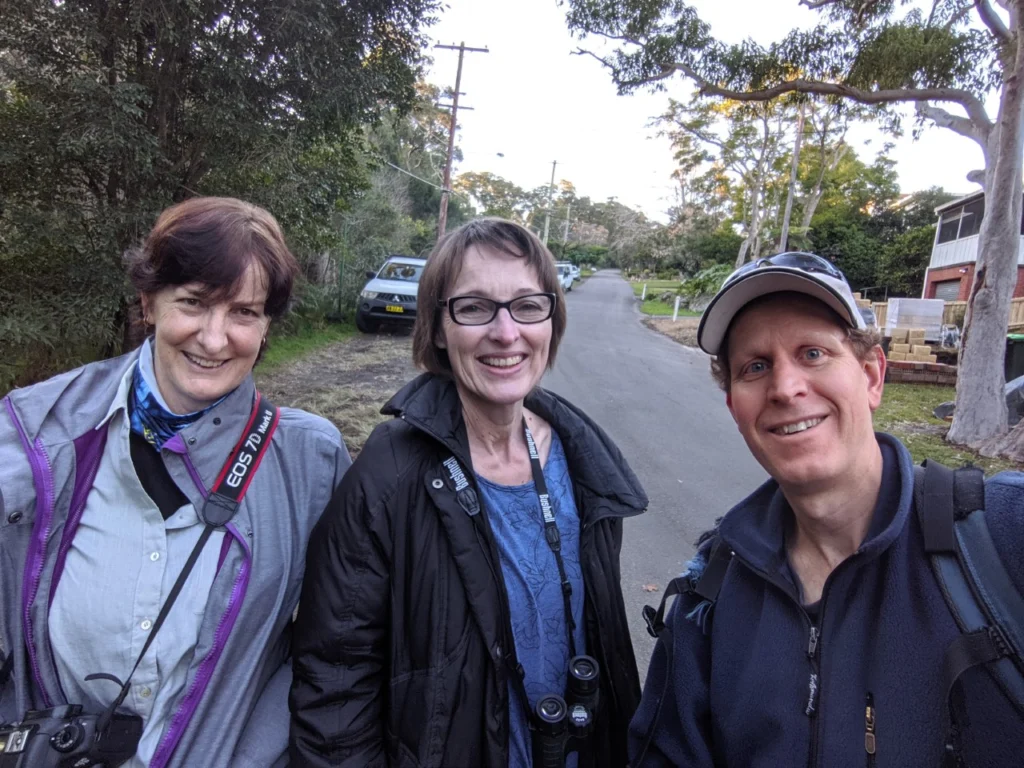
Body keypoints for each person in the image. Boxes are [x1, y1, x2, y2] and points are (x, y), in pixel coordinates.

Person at [629, 252, 1024, 767]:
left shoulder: (1002, 538)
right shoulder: (708, 594)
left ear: (871, 376)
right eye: (756, 366)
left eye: (813, 353)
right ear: (735, 408)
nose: (786, 388)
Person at [0, 197, 351, 767]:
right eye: (193, 303)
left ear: (266, 327)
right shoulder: (36, 432)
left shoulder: (310, 461)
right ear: (149, 303)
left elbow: (341, 648)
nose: (214, 340)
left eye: (243, 312)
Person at [289, 217, 648, 767]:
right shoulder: (390, 475)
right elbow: (334, 681)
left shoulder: (581, 459)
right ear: (436, 328)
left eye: (527, 305)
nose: (506, 333)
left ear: (552, 319)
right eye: (474, 307)